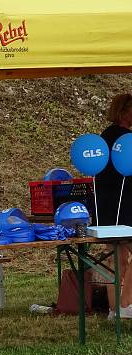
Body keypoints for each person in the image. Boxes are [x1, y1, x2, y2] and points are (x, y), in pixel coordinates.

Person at [95, 93, 132, 317]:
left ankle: (113, 309)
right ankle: (126, 305)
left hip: (105, 208)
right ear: (124, 111)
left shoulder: (104, 138)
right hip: (125, 206)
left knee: (114, 259)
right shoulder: (126, 140)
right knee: (120, 258)